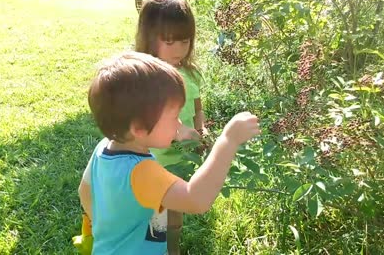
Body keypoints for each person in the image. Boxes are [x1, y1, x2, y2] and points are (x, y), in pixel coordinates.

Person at [76, 51, 260, 254]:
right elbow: (195, 199)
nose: (179, 123)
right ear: (139, 128)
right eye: (174, 116)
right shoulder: (142, 172)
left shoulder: (103, 148)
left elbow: (84, 191)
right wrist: (228, 141)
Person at [134, 0, 207, 253]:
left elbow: (198, 106)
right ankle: (155, 248)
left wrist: (200, 129)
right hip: (154, 160)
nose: (179, 49)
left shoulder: (190, 73)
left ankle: (171, 249)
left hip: (181, 158)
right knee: (157, 212)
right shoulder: (147, 77)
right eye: (169, 41)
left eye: (185, 41)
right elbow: (151, 116)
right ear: (149, 37)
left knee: (175, 211)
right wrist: (180, 131)